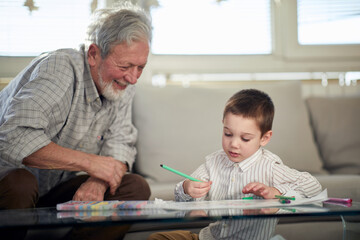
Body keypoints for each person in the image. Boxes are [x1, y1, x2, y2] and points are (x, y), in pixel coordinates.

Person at [0, 2, 152, 211]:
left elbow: (121, 142)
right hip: (10, 181)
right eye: (125, 66)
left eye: (140, 67)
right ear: (93, 54)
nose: (133, 78)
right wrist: (91, 163)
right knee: (21, 184)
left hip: (52, 188)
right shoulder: (59, 68)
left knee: (135, 187)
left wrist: (98, 180)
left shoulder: (122, 83)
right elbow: (15, 138)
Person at [148, 88, 322, 240]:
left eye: (245, 138)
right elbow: (184, 202)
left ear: (265, 138)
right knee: (158, 238)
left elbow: (313, 187)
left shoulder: (270, 167)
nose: (234, 144)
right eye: (228, 134)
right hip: (207, 238)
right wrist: (187, 187)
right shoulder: (213, 162)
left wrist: (276, 194)